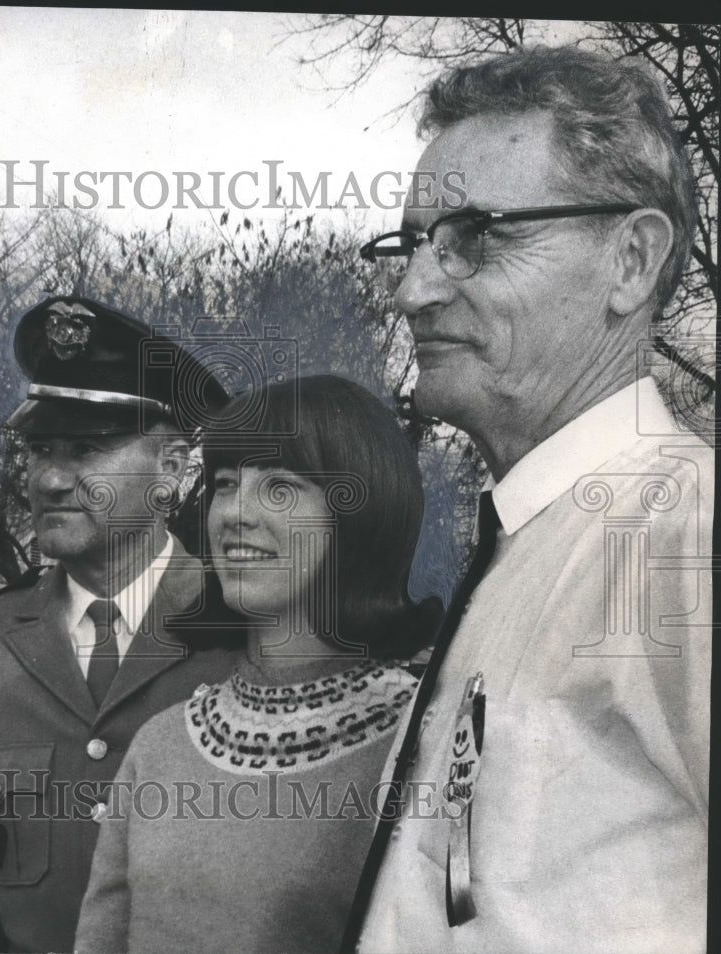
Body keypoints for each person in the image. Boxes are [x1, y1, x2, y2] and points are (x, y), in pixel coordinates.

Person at [349, 46, 712, 953]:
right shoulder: (531, 538)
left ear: (631, 259)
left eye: (477, 238)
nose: (413, 291)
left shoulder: (683, 531)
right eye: (414, 244)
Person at [0, 296, 243, 953]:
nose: (52, 478)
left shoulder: (249, 633)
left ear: (173, 469)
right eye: (40, 449)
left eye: (87, 450)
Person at [75, 374, 443, 954]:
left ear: (358, 512)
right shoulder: (160, 743)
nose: (235, 514)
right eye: (225, 484)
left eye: (279, 486)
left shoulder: (422, 743)